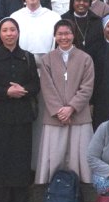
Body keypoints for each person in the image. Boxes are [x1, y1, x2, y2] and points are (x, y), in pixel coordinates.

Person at [0, 18, 40, 202]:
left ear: (18, 32)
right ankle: (2, 201)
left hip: (23, 115)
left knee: (20, 158)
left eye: (12, 30)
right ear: (0, 34)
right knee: (0, 158)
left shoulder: (28, 57)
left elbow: (36, 85)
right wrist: (6, 92)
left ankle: (20, 201)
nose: (9, 34)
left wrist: (23, 89)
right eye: (5, 30)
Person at [36, 20, 95, 184]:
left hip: (79, 115)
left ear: (73, 35)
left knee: (79, 156)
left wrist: (71, 108)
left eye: (67, 33)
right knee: (55, 155)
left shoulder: (85, 58)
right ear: (55, 36)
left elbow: (87, 87)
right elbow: (47, 87)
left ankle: (77, 191)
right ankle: (55, 189)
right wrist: (60, 110)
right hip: (55, 116)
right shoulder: (47, 59)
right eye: (60, 34)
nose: (64, 37)